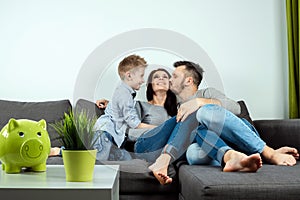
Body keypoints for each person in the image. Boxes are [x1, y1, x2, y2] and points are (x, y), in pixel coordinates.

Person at [93, 54, 158, 161]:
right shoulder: (124, 93)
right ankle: (62, 151)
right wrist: (158, 128)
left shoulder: (125, 91)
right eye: (141, 76)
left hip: (116, 139)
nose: (142, 81)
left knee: (126, 158)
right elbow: (134, 124)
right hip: (105, 133)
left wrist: (108, 103)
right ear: (129, 76)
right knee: (98, 158)